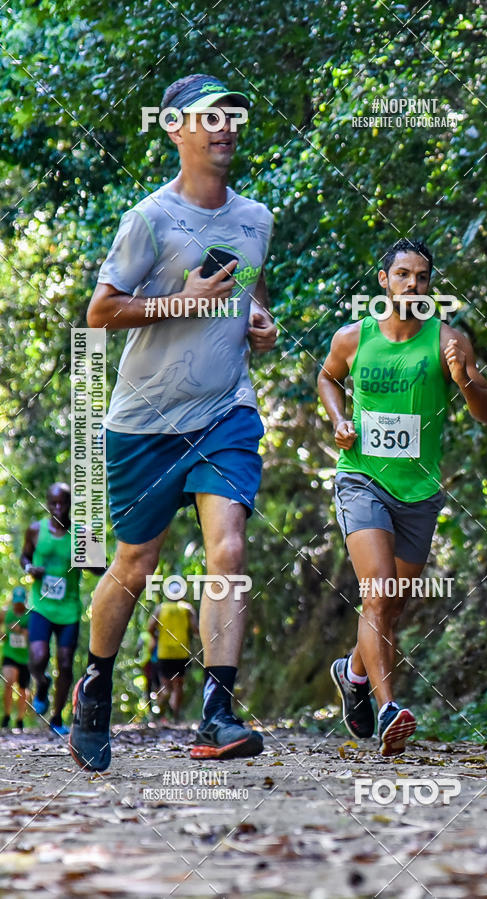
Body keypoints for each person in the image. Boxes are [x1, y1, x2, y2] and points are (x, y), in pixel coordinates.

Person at [69, 73, 277, 772]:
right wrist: (179, 303)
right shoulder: (149, 219)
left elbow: (253, 290)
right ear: (176, 130)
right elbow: (101, 312)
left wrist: (259, 320)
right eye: (208, 117)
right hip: (146, 420)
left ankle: (218, 710)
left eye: (231, 115)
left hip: (226, 411)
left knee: (228, 550)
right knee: (135, 563)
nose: (225, 126)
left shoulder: (257, 218)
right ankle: (95, 684)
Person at [318, 238, 487, 756]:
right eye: (402, 275)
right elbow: (327, 378)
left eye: (421, 277)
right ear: (384, 281)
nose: (412, 284)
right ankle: (389, 707)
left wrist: (463, 379)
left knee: (391, 605)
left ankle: (352, 671)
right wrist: (339, 419)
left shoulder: (448, 340)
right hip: (361, 479)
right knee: (377, 592)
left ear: (429, 285)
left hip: (419, 492)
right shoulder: (354, 338)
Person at [21, 483, 102, 736]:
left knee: (66, 664)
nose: (58, 508)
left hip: (69, 610)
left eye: (63, 503)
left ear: (70, 504)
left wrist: (88, 561)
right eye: (53, 503)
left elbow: (101, 567)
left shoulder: (82, 534)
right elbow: (24, 556)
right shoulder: (36, 530)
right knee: (38, 657)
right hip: (41, 606)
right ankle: (42, 683)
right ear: (47, 503)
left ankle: (56, 717)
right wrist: (29, 568)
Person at [148, 582, 197, 721]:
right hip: (181, 652)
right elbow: (196, 629)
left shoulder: (160, 609)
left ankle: (159, 713)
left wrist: (156, 637)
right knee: (178, 685)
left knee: (166, 686)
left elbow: (150, 627)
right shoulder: (187, 608)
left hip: (164, 653)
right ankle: (175, 715)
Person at [1, 586, 30, 731]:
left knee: (23, 689)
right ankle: (6, 715)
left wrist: (21, 631)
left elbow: (36, 636)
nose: (18, 605)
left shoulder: (30, 615)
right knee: (9, 680)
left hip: (26, 658)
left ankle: (20, 719)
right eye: (16, 602)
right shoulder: (6, 613)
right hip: (10, 654)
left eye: (20, 602)